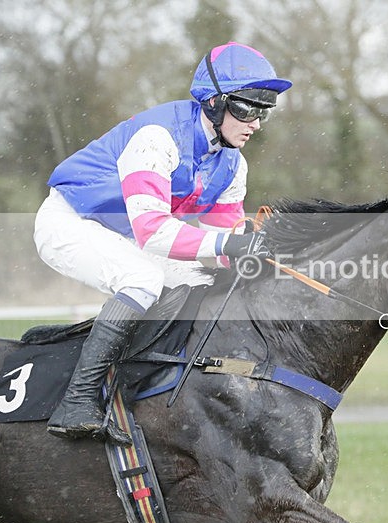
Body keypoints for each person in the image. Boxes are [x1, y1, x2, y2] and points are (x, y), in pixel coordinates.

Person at [34, 42, 291, 444]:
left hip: (123, 233)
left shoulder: (233, 163)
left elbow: (220, 242)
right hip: (70, 221)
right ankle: (77, 400)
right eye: (247, 109)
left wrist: (259, 254)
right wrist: (227, 246)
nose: (256, 122)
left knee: (200, 282)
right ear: (214, 103)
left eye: (264, 111)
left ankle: (134, 375)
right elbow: (153, 232)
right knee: (142, 279)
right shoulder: (158, 137)